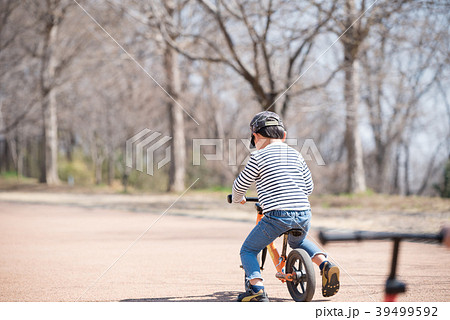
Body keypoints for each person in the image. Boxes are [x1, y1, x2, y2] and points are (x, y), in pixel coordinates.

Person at [232, 111, 340, 302]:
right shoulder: (296, 155)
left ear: (256, 136)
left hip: (277, 216)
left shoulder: (258, 157)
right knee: (297, 242)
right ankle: (325, 265)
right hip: (303, 213)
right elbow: (309, 187)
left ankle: (256, 288)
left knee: (248, 250)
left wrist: (238, 198)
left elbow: (240, 185)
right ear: (283, 135)